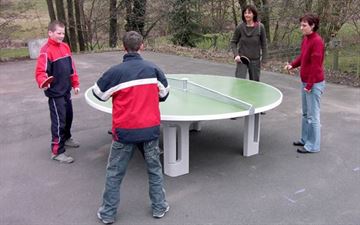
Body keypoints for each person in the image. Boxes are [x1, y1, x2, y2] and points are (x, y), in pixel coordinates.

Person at [93, 31, 170, 224]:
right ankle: (159, 207)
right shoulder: (154, 69)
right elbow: (164, 94)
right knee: (154, 169)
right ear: (142, 46)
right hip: (150, 129)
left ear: (123, 47)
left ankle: (108, 213)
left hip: (124, 132)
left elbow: (98, 93)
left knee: (114, 173)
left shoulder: (115, 72)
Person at [35, 20, 80, 163]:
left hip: (66, 90)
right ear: (50, 33)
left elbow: (71, 68)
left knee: (68, 117)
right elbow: (40, 71)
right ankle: (57, 151)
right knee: (59, 121)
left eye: (63, 33)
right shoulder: (45, 50)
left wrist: (75, 83)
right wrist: (43, 82)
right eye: (58, 33)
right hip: (55, 94)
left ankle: (66, 138)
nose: (61, 36)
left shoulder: (65, 47)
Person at [284, 13, 325, 154]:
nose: (301, 27)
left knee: (313, 116)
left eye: (304, 25)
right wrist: (292, 65)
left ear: (312, 26)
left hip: (314, 83)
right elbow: (303, 57)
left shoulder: (317, 41)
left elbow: (316, 65)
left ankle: (313, 146)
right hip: (305, 81)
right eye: (301, 25)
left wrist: (310, 85)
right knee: (306, 114)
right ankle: (305, 139)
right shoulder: (306, 39)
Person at [230, 4, 267, 82]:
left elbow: (264, 45)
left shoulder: (260, 27)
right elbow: (233, 42)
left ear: (254, 14)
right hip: (242, 60)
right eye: (245, 13)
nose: (247, 15)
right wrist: (236, 55)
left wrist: (264, 60)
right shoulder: (240, 27)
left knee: (254, 84)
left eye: (249, 13)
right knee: (239, 82)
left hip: (255, 60)